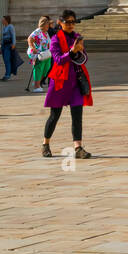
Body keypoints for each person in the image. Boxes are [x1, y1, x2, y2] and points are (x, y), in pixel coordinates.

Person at [42, 10, 92, 158]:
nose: (71, 25)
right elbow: (58, 60)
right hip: (60, 81)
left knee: (77, 114)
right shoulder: (55, 39)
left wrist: (78, 52)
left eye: (73, 22)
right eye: (67, 22)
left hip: (75, 80)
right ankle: (45, 143)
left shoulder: (77, 37)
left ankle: (78, 148)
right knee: (54, 115)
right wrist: (71, 52)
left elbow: (84, 58)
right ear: (60, 22)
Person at [27, 16, 53, 92]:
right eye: (47, 24)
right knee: (38, 68)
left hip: (46, 54)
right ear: (43, 24)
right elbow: (30, 39)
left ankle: (37, 82)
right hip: (38, 53)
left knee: (46, 68)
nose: (48, 26)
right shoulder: (37, 32)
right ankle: (36, 86)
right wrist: (32, 48)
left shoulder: (46, 32)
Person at [0, 14, 18, 80]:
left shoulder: (10, 26)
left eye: (3, 19)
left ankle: (7, 75)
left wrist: (13, 44)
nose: (2, 21)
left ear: (6, 20)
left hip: (8, 45)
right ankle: (7, 73)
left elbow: (13, 35)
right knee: (5, 60)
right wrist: (1, 47)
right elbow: (3, 38)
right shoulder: (4, 27)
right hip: (4, 45)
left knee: (7, 60)